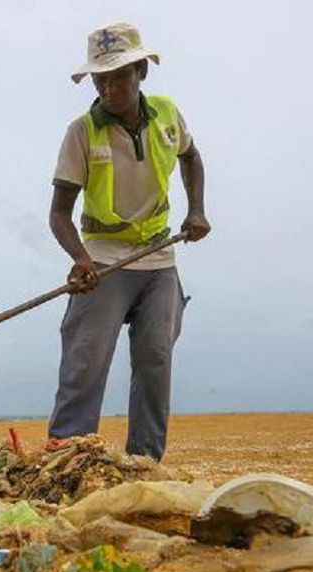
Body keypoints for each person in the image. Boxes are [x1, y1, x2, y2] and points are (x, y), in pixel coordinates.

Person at [47, 23, 210, 461]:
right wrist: (80, 259)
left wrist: (196, 210)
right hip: (101, 260)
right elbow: (59, 213)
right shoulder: (81, 132)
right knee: (87, 362)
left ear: (142, 71)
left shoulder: (168, 114)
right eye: (101, 79)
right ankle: (68, 458)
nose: (109, 87)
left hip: (158, 257)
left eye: (118, 76)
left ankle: (144, 461)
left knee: (155, 360)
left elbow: (191, 158)